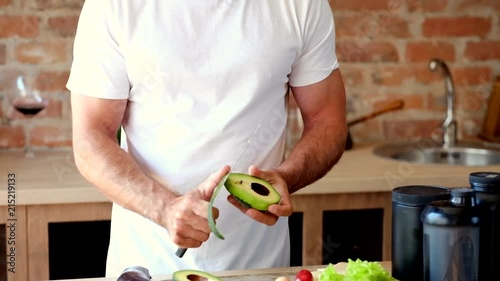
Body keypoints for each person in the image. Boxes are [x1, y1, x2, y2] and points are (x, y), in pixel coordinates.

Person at [67, 0, 347, 277]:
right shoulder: (114, 6)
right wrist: (164, 208)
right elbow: (90, 138)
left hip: (260, 266)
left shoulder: (301, 5)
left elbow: (327, 120)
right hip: (148, 263)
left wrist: (288, 177)